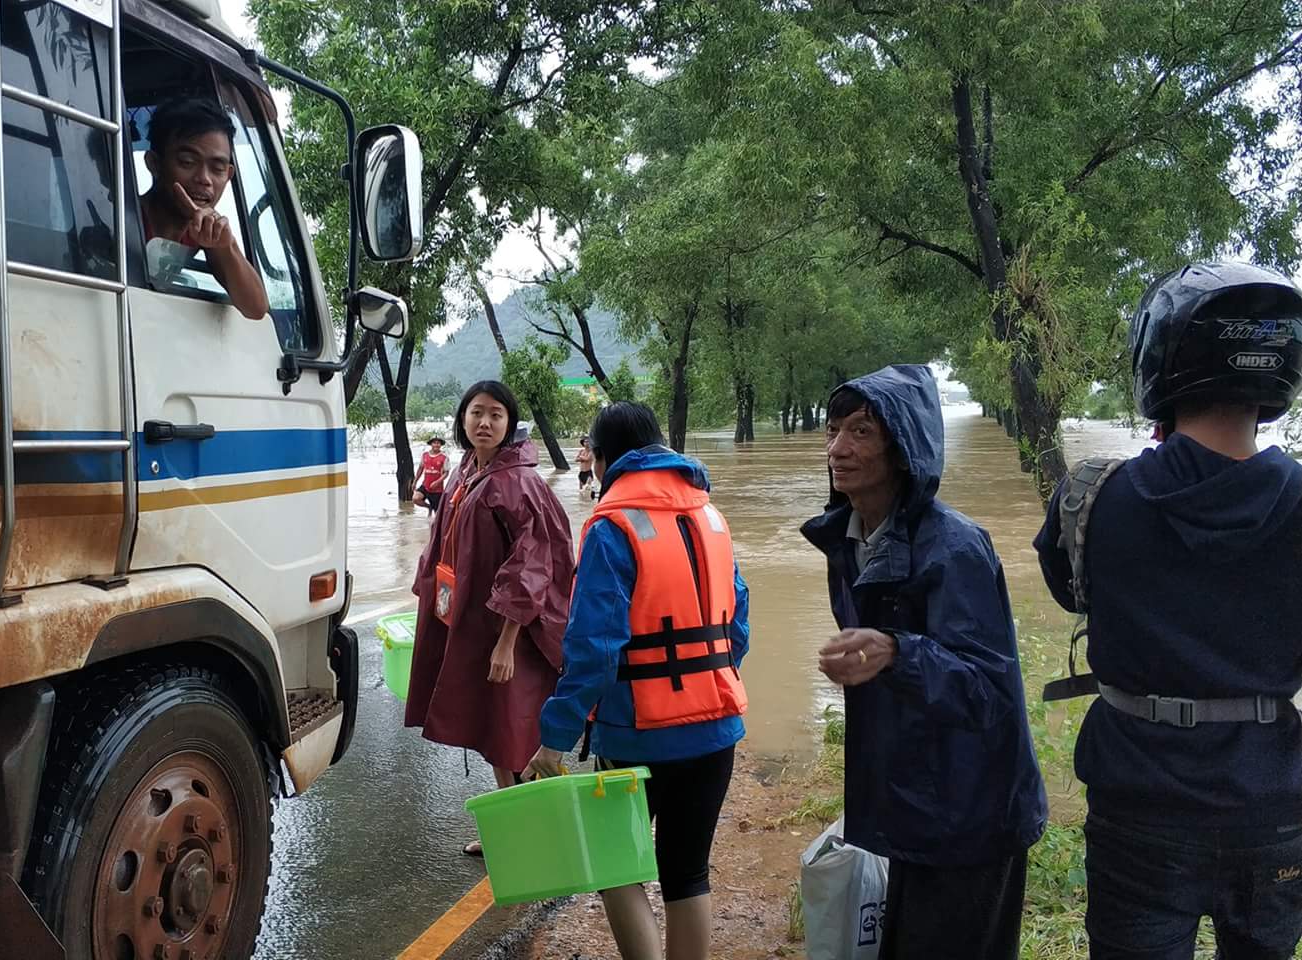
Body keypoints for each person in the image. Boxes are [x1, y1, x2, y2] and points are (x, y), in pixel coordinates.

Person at [1033, 262, 1302, 959]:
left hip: (1138, 801)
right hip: (1272, 802)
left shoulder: (1090, 496)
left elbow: (1072, 591)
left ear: (1160, 357)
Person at [799, 364, 1047, 960]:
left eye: (861, 432)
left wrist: (895, 651)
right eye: (834, 430)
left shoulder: (955, 548)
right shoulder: (852, 540)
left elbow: (987, 689)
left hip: (973, 812)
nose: (838, 449)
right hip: (913, 802)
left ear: (904, 445)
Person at [526, 402, 749, 960]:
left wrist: (554, 738)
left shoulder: (611, 525)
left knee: (614, 864)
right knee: (687, 872)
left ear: (603, 460)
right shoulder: (709, 515)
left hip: (637, 737)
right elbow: (737, 624)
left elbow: (594, 647)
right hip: (717, 726)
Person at [406, 381, 575, 855]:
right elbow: (444, 543)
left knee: (512, 730)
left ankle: (535, 832)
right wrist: (430, 598)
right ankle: (515, 827)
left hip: (510, 632)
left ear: (509, 424)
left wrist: (506, 642)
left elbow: (533, 566)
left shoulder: (518, 483)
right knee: (491, 727)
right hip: (473, 625)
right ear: (462, 420)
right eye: (477, 413)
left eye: (496, 415)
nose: (485, 422)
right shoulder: (466, 471)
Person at [139, 98, 268, 320]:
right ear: (154, 164)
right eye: (188, 162)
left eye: (217, 168)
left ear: (228, 176)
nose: (204, 179)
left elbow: (255, 308)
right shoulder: (124, 219)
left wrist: (225, 246)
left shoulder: (204, 233)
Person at [412, 436, 449, 514]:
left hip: (437, 489)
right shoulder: (425, 455)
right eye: (434, 443)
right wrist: (415, 481)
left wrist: (437, 482)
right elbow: (420, 469)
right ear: (431, 444)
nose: (436, 445)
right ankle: (429, 507)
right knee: (415, 499)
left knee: (438, 514)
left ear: (441, 445)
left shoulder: (444, 457)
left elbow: (446, 473)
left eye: (438, 443)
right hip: (425, 485)